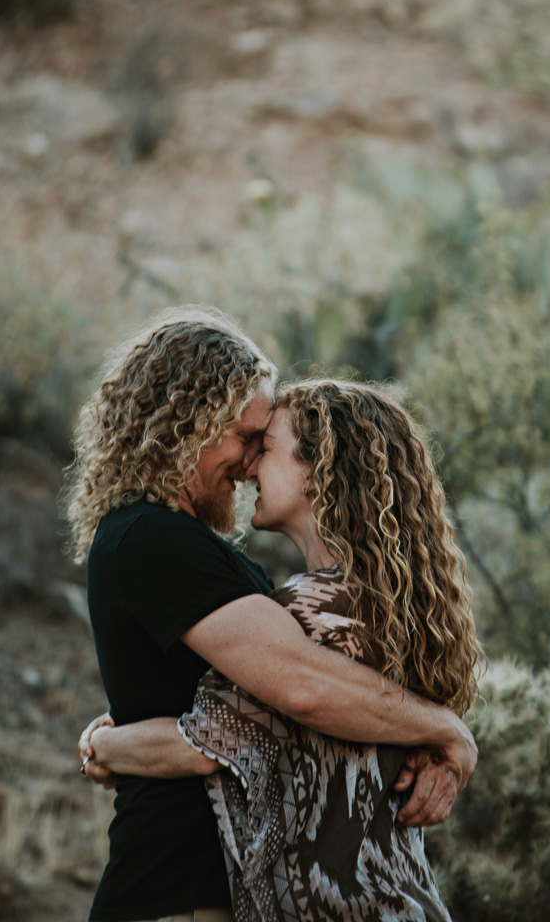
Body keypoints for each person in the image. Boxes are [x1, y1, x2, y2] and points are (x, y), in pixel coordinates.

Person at [67, 310, 477, 922]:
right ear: (189, 426)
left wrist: (108, 743)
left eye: (266, 444)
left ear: (319, 474)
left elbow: (288, 695)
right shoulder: (151, 538)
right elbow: (288, 690)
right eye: (245, 437)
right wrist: (441, 730)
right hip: (175, 883)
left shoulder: (299, 600)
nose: (250, 462)